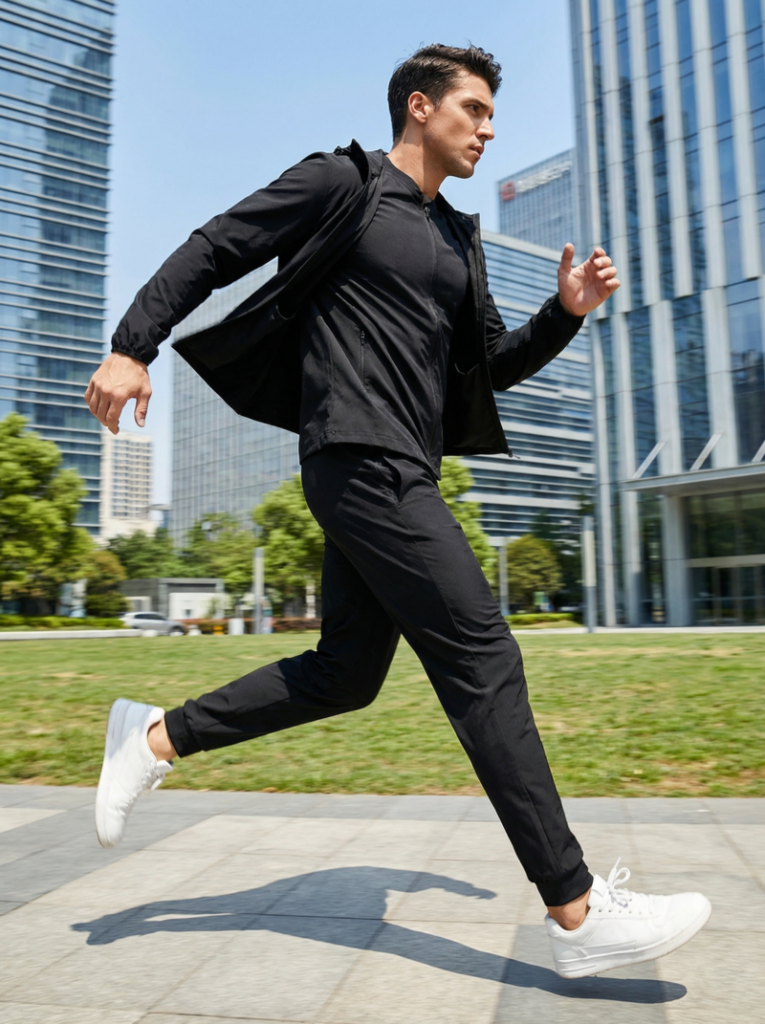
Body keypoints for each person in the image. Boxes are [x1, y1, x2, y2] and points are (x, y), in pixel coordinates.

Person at [85, 44, 710, 979]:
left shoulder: (460, 239)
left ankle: (154, 735)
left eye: (493, 114)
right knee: (485, 654)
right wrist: (133, 345)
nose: (488, 128)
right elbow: (217, 246)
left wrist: (564, 314)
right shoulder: (341, 183)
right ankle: (577, 914)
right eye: (474, 109)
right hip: (354, 456)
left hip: (404, 465)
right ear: (419, 108)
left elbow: (481, 370)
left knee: (347, 674)